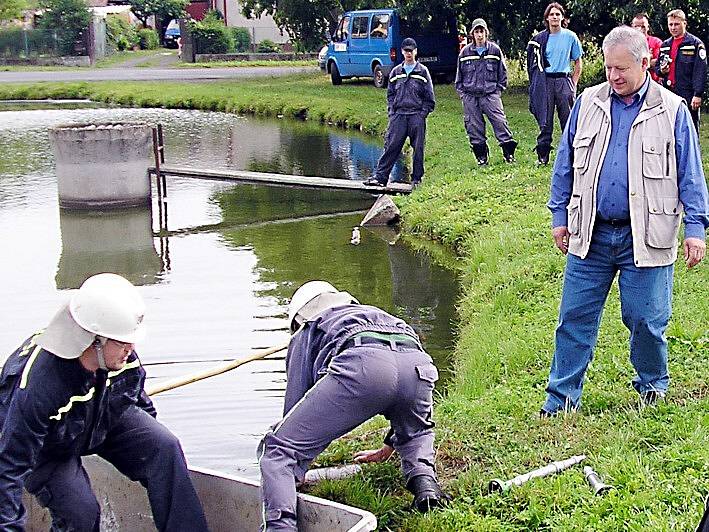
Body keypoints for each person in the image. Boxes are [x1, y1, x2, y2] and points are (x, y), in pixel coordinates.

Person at [542, 26, 709, 416]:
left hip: (647, 235)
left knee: (646, 321)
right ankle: (560, 400)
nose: (613, 76)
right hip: (591, 234)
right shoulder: (588, 103)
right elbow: (564, 164)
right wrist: (559, 215)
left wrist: (696, 231)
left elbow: (691, 176)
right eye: (608, 68)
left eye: (622, 68)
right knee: (573, 319)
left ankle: (652, 388)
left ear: (645, 63)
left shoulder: (672, 110)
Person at [0, 273, 209, 531]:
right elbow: (9, 467)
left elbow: (137, 397)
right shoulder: (39, 386)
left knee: (163, 447)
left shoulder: (122, 356)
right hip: (49, 447)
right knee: (81, 514)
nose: (131, 347)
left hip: (103, 417)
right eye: (123, 341)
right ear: (94, 340)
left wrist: (140, 452)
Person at [258, 281, 449, 531]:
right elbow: (403, 387)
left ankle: (280, 528)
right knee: (417, 433)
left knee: (277, 450)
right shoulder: (375, 313)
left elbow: (294, 410)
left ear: (298, 318)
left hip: (363, 366)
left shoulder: (308, 329)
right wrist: (390, 445)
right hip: (416, 363)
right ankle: (425, 486)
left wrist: (295, 460)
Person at [364, 37, 435, 188]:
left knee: (418, 149)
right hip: (399, 116)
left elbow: (430, 98)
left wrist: (422, 114)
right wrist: (392, 112)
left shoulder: (423, 72)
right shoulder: (396, 72)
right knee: (391, 146)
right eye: (406, 51)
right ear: (402, 52)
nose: (409, 53)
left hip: (416, 115)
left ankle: (416, 179)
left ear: (416, 52)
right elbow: (390, 94)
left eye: (411, 51)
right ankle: (381, 177)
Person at [526, 2, 583, 165]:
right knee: (546, 120)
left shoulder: (570, 37)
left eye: (558, 14)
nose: (555, 17)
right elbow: (533, 64)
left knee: (568, 119)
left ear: (562, 17)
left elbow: (578, 61)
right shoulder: (540, 39)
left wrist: (573, 83)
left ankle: (572, 155)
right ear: (547, 18)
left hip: (564, 80)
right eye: (552, 14)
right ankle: (543, 155)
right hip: (546, 82)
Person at [455, 18, 517, 165]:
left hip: (490, 94)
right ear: (472, 34)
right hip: (470, 96)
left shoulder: (494, 50)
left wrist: (498, 91)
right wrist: (463, 95)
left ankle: (508, 153)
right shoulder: (465, 53)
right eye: (476, 32)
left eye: (482, 31)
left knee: (500, 123)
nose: (479, 35)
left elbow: (503, 74)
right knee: (474, 127)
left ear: (486, 33)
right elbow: (459, 77)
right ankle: (481, 157)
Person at [656, 9, 707, 132]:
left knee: (690, 129)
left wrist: (698, 94)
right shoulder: (665, 45)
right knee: (669, 129)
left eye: (676, 24)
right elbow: (657, 69)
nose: (673, 27)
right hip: (669, 93)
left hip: (688, 94)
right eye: (670, 24)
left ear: (685, 23)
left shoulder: (695, 44)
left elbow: (700, 70)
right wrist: (662, 71)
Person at [631, 12, 662, 82]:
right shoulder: (626, 44)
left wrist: (636, 62)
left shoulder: (656, 42)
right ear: (632, 27)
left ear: (648, 27)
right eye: (636, 26)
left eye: (643, 27)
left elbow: (658, 63)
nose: (640, 29)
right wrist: (648, 59)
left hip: (653, 82)